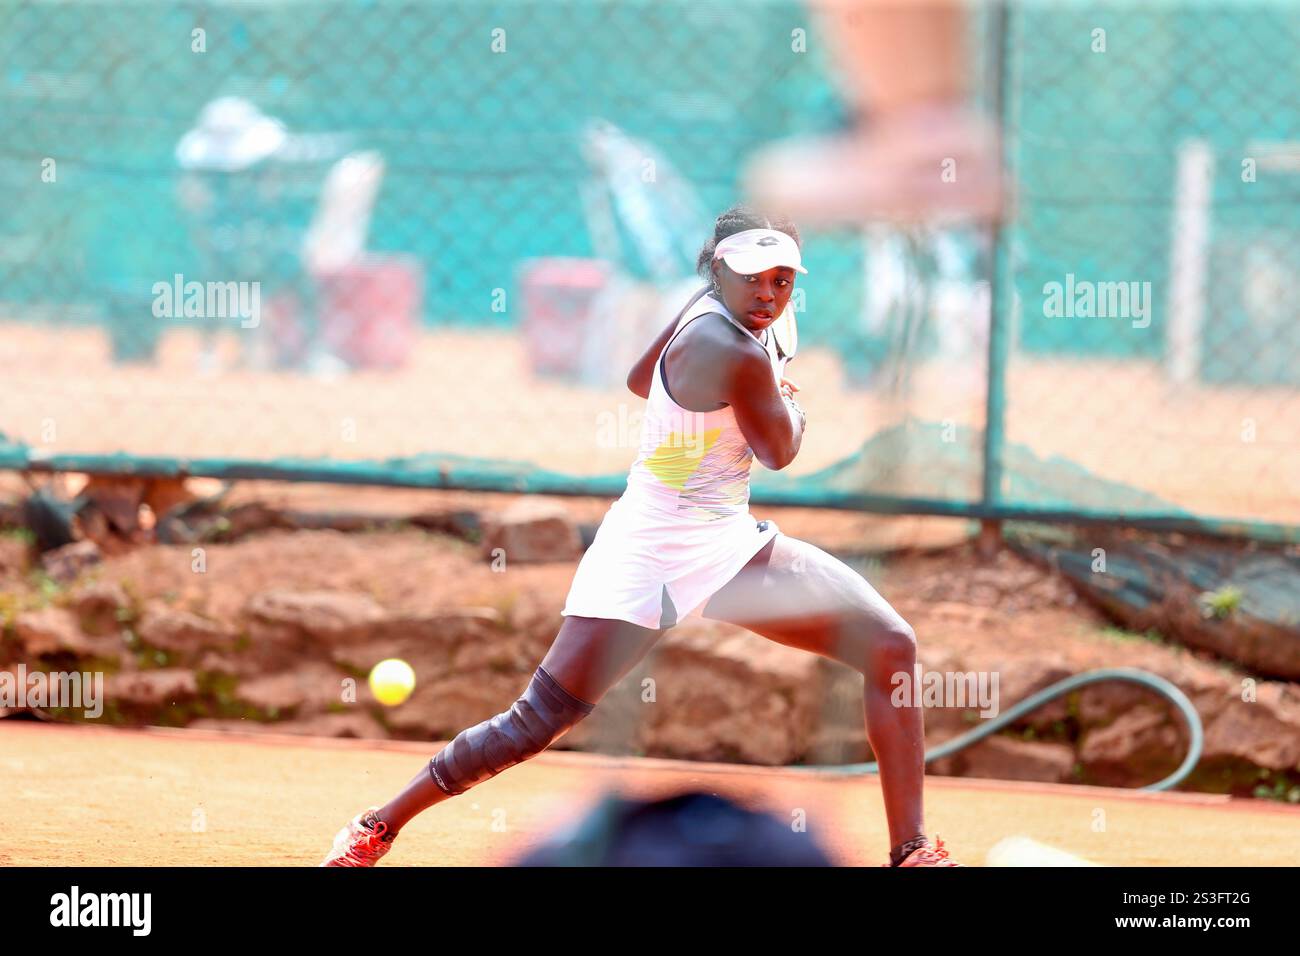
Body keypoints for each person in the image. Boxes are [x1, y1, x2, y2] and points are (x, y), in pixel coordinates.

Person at [320, 205, 961, 867]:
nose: (768, 294)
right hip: (650, 550)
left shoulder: (729, 311)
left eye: (782, 280)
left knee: (890, 645)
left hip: (726, 542)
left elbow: (637, 378)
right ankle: (376, 827)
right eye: (752, 279)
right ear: (718, 273)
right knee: (537, 721)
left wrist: (699, 434)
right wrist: (789, 400)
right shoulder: (732, 346)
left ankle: (910, 850)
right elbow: (780, 450)